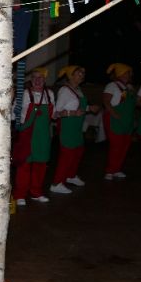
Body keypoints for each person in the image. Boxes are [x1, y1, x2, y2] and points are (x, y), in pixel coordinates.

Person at [50, 66, 100, 194]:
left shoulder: (78, 89)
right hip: (68, 126)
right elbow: (56, 113)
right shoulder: (64, 91)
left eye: (83, 73)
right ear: (70, 76)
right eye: (79, 73)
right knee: (67, 155)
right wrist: (72, 113)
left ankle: (70, 176)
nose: (82, 75)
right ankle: (56, 183)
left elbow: (78, 107)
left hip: (77, 127)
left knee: (78, 151)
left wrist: (89, 108)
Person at [12, 67, 55, 206]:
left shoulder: (49, 94)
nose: (37, 80)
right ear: (31, 80)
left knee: (40, 165)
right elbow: (13, 114)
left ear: (44, 79)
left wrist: (63, 113)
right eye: (34, 77)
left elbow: (53, 114)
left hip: (43, 135)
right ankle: (20, 195)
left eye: (40, 77)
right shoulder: (24, 94)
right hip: (27, 134)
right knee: (24, 165)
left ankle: (36, 192)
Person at [102, 63, 136, 180]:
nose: (126, 76)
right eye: (123, 73)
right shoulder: (112, 85)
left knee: (124, 146)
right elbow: (106, 101)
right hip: (115, 119)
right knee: (116, 146)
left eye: (128, 73)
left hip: (127, 120)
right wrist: (114, 114)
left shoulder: (129, 87)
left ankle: (117, 169)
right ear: (117, 75)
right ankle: (109, 171)